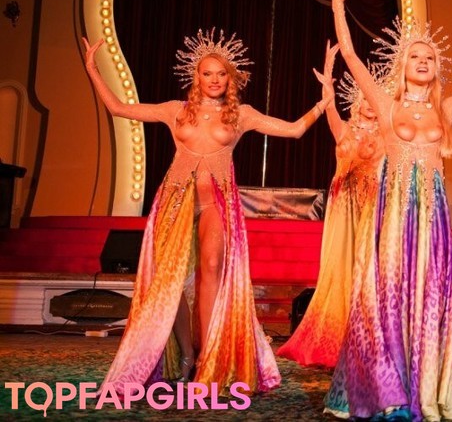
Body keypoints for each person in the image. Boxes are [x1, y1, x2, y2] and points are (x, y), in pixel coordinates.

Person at [84, 30, 334, 392]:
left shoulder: (241, 115)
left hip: (216, 202)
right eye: (207, 73)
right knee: (169, 282)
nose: (214, 80)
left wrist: (324, 102)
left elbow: (294, 130)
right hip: (176, 200)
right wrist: (93, 69)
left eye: (221, 74)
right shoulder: (175, 110)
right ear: (196, 77)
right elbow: (119, 108)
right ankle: (187, 353)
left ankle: (209, 358)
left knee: (213, 267)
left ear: (230, 79)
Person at [324, 0, 452, 421]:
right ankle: (386, 386)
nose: (423, 61)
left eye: (429, 57)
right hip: (392, 215)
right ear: (402, 66)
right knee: (387, 293)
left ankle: (428, 382)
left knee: (431, 294)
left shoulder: (446, 109)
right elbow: (350, 54)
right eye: (415, 56)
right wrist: (338, 2)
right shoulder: (385, 106)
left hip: (431, 216)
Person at [277, 53, 386, 367]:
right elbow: (329, 108)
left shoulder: (386, 134)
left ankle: (365, 337)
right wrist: (328, 83)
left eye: (374, 99)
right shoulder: (344, 130)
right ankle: (334, 336)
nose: (369, 104)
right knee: (338, 268)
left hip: (370, 205)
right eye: (364, 97)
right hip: (342, 207)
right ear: (357, 100)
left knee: (367, 268)